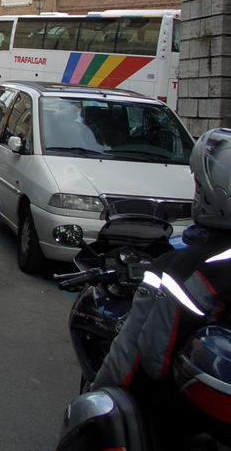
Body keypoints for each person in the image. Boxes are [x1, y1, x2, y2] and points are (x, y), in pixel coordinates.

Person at [85, 127, 231, 446]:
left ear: (209, 192)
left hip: (186, 424)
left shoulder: (184, 269)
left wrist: (95, 399)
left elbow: (144, 357)